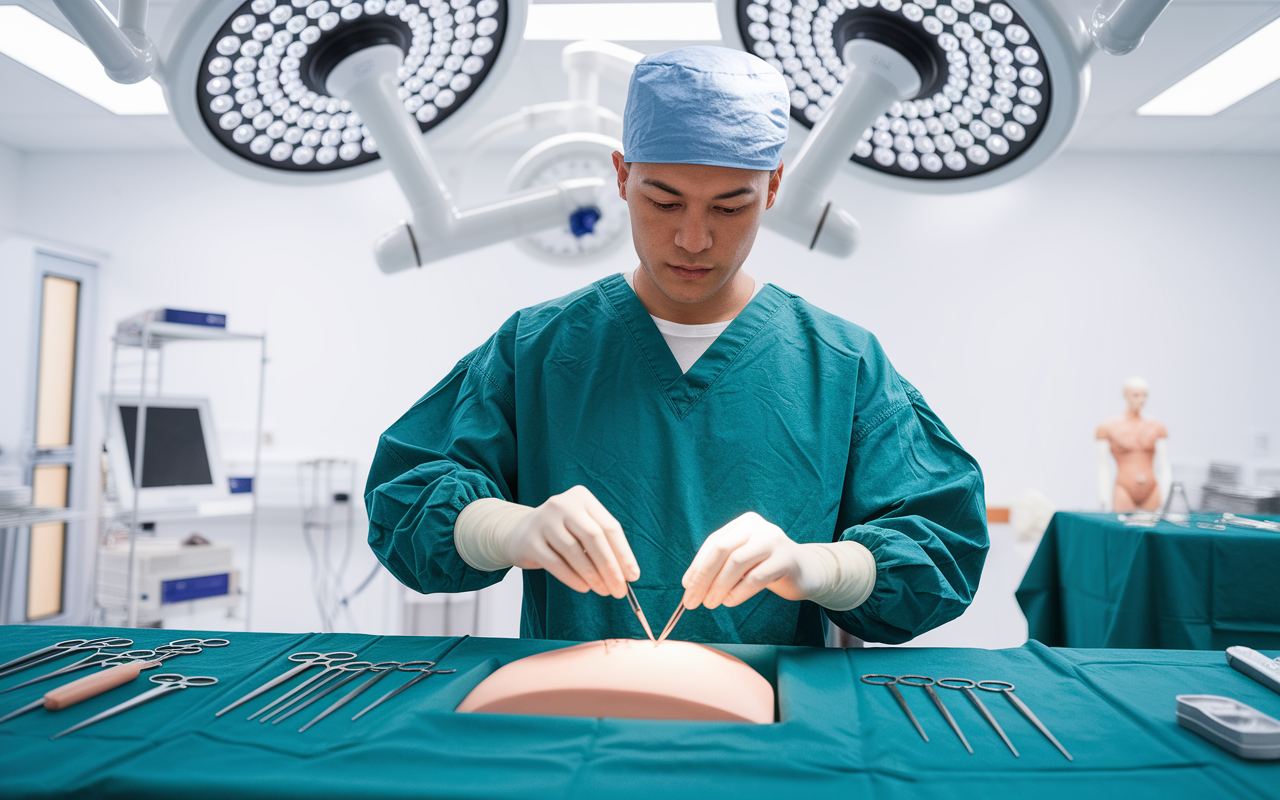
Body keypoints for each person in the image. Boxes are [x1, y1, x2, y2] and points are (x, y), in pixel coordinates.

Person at [366, 47, 988, 647]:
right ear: (621, 178)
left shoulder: (842, 365)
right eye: (663, 201)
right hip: (569, 724)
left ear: (772, 188)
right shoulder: (538, 349)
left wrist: (820, 567)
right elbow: (407, 499)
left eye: (729, 206)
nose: (693, 239)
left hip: (766, 730)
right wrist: (507, 528)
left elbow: (940, 545)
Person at [1096, 377, 1170, 512]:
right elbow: (1102, 465)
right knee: (1122, 531)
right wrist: (1103, 499)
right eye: (1136, 395)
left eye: (1144, 395)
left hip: (1152, 490)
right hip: (1124, 489)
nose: (1141, 400)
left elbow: (1164, 464)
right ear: (1125, 395)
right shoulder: (1108, 427)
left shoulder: (1156, 427)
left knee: (1152, 530)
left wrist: (1167, 497)